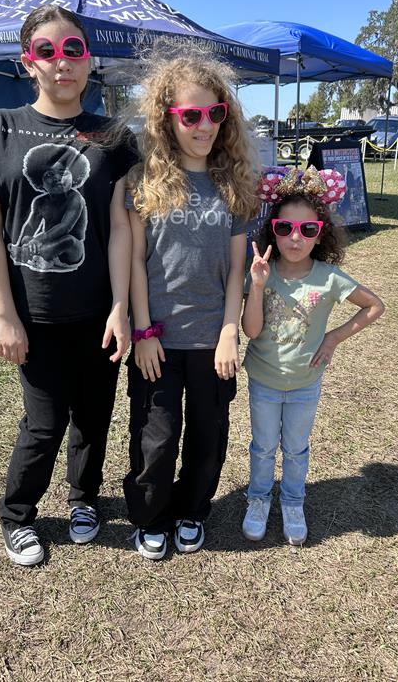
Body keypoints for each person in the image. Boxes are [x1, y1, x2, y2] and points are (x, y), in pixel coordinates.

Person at [0, 6, 138, 566]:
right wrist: (4, 315)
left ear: (90, 60)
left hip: (96, 313)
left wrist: (120, 308)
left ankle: (84, 499)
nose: (61, 62)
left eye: (73, 50)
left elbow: (118, 231)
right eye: (46, 51)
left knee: (94, 414)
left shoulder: (114, 137)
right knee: (44, 422)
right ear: (27, 62)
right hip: (32, 313)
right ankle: (17, 513)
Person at [123, 47, 258, 560]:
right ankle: (151, 516)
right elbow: (135, 263)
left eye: (216, 114)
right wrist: (142, 331)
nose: (205, 126)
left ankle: (193, 510)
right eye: (192, 115)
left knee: (208, 436)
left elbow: (235, 271)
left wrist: (229, 332)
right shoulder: (145, 183)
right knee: (155, 439)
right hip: (157, 340)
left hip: (212, 342)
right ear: (167, 118)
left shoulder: (233, 188)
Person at [241, 167, 385, 545]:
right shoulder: (261, 272)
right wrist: (256, 287)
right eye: (286, 228)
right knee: (262, 447)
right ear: (272, 227)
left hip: (306, 384)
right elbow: (251, 331)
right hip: (264, 382)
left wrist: (335, 337)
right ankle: (257, 500)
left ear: (321, 232)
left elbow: (374, 306)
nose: (295, 238)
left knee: (296, 449)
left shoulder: (329, 277)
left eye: (308, 230)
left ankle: (292, 502)